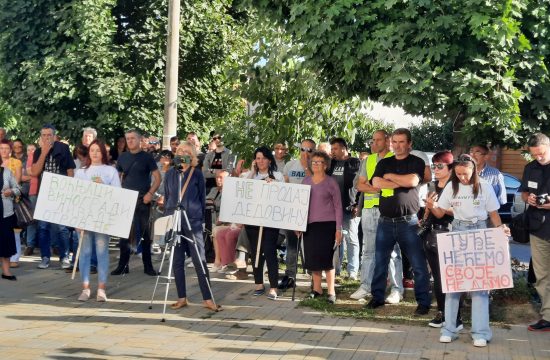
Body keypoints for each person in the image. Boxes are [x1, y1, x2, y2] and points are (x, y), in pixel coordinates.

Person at [430, 153, 508, 347]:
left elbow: (493, 214)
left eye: (465, 174)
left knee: (480, 286)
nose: (462, 177)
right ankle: (449, 329)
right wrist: (431, 206)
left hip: (480, 231)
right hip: (457, 230)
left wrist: (501, 230)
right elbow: (440, 212)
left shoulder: (485, 186)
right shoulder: (451, 186)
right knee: (453, 285)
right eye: (458, 174)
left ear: (473, 170)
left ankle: (481, 333)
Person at [365, 128, 431, 316]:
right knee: (380, 262)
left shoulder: (416, 162)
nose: (398, 145)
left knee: (418, 264)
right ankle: (377, 298)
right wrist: (398, 181)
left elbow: (412, 181)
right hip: (384, 222)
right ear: (391, 143)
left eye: (402, 142)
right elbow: (376, 183)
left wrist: (391, 177)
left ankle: (423, 302)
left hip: (408, 223)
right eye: (395, 141)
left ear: (409, 144)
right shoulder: (384, 162)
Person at [163, 141, 219, 311]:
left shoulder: (197, 174)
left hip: (193, 221)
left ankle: (208, 298)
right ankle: (181, 297)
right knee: (177, 260)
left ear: (193, 155)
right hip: (175, 218)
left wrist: (201, 221)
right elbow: (167, 197)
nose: (183, 153)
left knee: (198, 259)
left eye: (187, 151)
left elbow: (202, 199)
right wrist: (168, 220)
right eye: (180, 151)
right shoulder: (171, 173)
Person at [350, 130, 402, 302]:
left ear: (388, 141)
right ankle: (366, 285)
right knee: (369, 250)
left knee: (393, 252)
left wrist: (372, 185)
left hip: (389, 209)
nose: (375, 143)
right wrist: (378, 187)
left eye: (379, 140)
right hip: (369, 210)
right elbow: (359, 185)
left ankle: (396, 289)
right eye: (373, 140)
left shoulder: (396, 159)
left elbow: (396, 185)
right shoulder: (369, 160)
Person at [74, 140, 120, 302]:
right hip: (85, 217)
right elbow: (76, 197)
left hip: (103, 218)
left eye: (97, 151)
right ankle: (85, 287)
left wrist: (104, 187)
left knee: (101, 252)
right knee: (85, 252)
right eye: (92, 150)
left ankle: (101, 288)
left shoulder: (110, 171)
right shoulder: (81, 172)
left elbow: (118, 194)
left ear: (103, 153)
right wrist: (77, 220)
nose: (94, 153)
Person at [112, 129, 161, 276]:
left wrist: (150, 194)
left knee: (145, 234)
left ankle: (148, 266)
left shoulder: (147, 158)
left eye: (133, 138)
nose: (130, 141)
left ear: (139, 140)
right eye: (127, 139)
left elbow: (158, 178)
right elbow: (117, 178)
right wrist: (119, 193)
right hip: (126, 200)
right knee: (124, 234)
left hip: (142, 200)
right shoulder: (122, 157)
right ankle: (123, 265)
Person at [422, 151, 462, 329]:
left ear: (450, 168)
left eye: (440, 166)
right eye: (433, 166)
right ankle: (441, 312)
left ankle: (456, 317)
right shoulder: (432, 185)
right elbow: (430, 210)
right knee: (437, 277)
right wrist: (424, 216)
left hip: (450, 233)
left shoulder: (457, 186)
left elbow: (458, 210)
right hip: (432, 234)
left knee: (452, 277)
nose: (436, 169)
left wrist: (440, 208)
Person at [31, 124, 76, 270]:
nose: (46, 138)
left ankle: (64, 257)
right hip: (44, 194)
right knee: (43, 227)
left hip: (61, 193)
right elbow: (35, 172)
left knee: (62, 228)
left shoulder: (63, 149)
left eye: (48, 135)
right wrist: (44, 153)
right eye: (43, 135)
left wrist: (69, 191)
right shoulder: (38, 152)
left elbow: (70, 170)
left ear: (54, 136)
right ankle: (45, 257)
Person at [301, 151, 343, 303]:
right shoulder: (305, 182)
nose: (316, 164)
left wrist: (338, 228)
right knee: (313, 259)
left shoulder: (331, 182)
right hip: (310, 226)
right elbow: (301, 205)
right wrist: (298, 224)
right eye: (314, 162)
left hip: (328, 225)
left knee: (328, 259)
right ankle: (317, 289)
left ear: (325, 165)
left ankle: (331, 291)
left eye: (319, 162)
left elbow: (338, 207)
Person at [244, 146, 284, 300]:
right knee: (255, 252)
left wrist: (274, 185)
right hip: (253, 221)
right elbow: (245, 191)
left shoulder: (278, 175)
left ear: (269, 159)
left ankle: (273, 287)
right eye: (257, 158)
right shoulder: (251, 175)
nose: (260, 161)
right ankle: (258, 283)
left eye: (263, 158)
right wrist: (253, 172)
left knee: (269, 251)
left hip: (270, 221)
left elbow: (283, 195)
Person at [520, 133, 550, 332]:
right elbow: (523, 192)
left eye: (542, 153)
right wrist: (528, 199)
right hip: (538, 228)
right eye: (534, 155)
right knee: (542, 275)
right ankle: (548, 316)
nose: (538, 158)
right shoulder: (529, 168)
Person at [278, 139, 316, 290]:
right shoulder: (290, 165)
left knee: (309, 246)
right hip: (292, 211)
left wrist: (307, 166)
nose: (305, 153)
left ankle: (314, 277)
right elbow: (285, 185)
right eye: (303, 149)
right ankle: (290, 276)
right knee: (291, 245)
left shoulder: (317, 165)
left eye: (309, 150)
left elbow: (314, 182)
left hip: (311, 211)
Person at [329, 137, 361, 280]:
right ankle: (335, 269)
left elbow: (361, 184)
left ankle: (352, 271)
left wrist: (357, 204)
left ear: (344, 148)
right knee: (336, 238)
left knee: (351, 238)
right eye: (332, 149)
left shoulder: (355, 162)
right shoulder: (332, 163)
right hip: (333, 208)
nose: (333, 151)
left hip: (350, 207)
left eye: (335, 148)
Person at [0, 140, 23, 268]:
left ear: (10, 150)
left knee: (14, 231)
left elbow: (17, 183)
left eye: (6, 148)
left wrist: (10, 192)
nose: (3, 150)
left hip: (12, 201)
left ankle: (14, 256)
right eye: (1, 148)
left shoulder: (16, 163)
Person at [0, 163, 20, 280]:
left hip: (6, 212)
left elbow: (18, 189)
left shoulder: (7, 172)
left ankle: (6, 271)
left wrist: (11, 191)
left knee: (6, 241)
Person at [23, 144, 38, 256]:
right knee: (31, 219)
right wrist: (34, 176)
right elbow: (22, 177)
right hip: (31, 192)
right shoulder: (25, 162)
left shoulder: (40, 158)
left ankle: (54, 245)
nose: (31, 151)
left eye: (33, 149)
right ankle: (30, 245)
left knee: (45, 220)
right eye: (29, 150)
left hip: (40, 190)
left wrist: (33, 175)